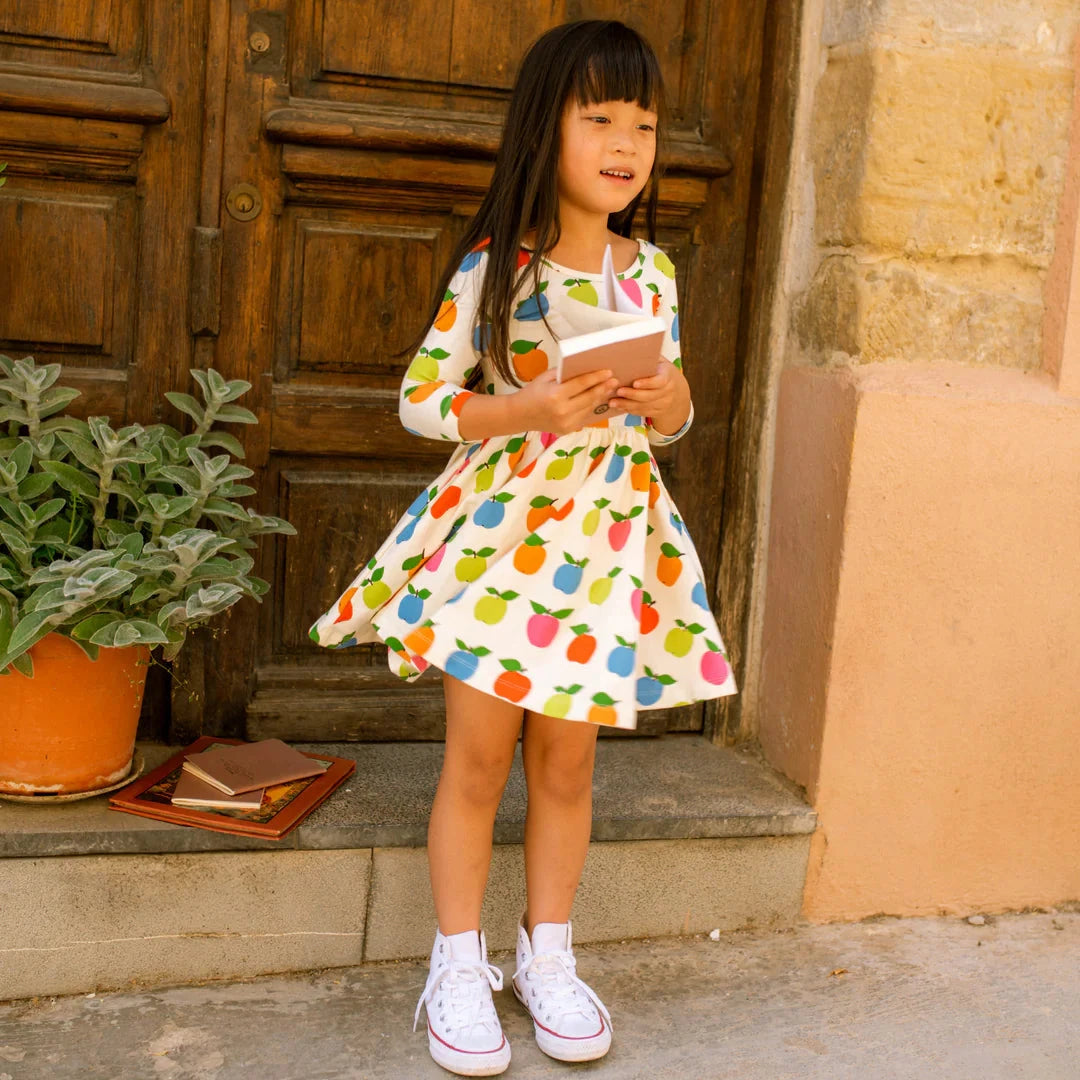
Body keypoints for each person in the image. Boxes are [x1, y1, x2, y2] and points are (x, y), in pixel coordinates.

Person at [309, 17, 738, 1076]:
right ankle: (457, 963)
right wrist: (531, 405)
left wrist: (675, 398)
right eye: (600, 118)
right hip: (503, 545)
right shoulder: (500, 268)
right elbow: (421, 402)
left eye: (643, 122)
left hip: (604, 544)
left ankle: (548, 955)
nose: (627, 142)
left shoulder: (657, 272)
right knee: (479, 759)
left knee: (570, 761)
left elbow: (665, 421)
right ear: (546, 130)